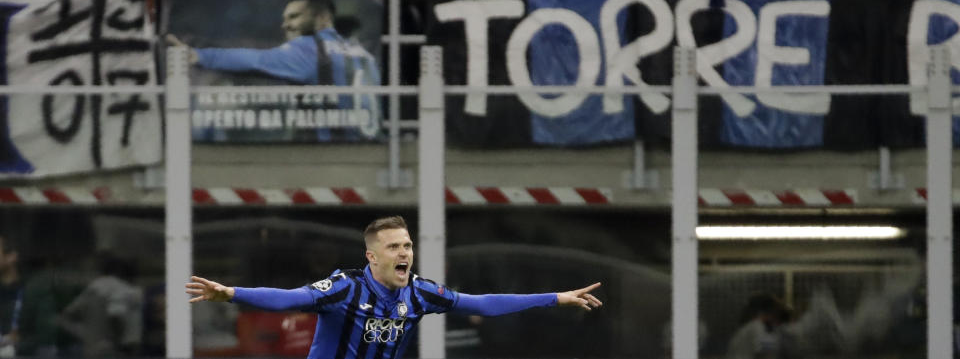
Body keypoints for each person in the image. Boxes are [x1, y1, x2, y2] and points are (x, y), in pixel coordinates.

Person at [186, 216, 603, 359]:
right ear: (373, 256)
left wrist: (557, 298)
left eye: (407, 244)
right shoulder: (344, 289)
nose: (404, 252)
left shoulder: (420, 293)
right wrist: (232, 293)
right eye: (393, 246)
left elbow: (482, 304)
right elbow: (291, 298)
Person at [167, 0, 381, 138]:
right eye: (285, 18)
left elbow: (255, 60)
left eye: (294, 17)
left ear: (322, 18)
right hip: (364, 144)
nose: (285, 24)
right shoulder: (361, 52)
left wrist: (200, 56)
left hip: (328, 153)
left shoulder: (308, 49)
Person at [59, 251, 144, 358]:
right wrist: (117, 342)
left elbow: (65, 317)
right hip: (117, 351)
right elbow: (116, 314)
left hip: (92, 351)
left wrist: (85, 334)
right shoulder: (124, 289)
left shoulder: (92, 289)